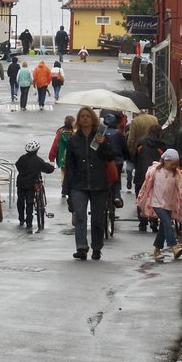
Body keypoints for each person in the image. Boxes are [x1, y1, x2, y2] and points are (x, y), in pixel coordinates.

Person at [64, 106, 114, 260]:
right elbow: (70, 166)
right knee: (80, 215)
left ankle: (97, 247)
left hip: (98, 184)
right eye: (82, 116)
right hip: (78, 184)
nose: (85, 118)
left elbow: (110, 156)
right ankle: (81, 247)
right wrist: (67, 190)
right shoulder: (74, 140)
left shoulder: (100, 137)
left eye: (87, 116)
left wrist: (104, 143)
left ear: (92, 119)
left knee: (98, 219)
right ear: (78, 120)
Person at [136, 148, 182, 261]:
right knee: (168, 224)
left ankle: (157, 250)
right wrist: (141, 198)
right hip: (157, 203)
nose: (174, 166)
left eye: (176, 164)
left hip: (169, 204)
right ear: (165, 161)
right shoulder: (155, 171)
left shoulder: (177, 175)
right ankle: (174, 247)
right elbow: (146, 183)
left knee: (163, 228)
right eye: (172, 164)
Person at [133, 123, 168, 232]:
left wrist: (138, 166)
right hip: (157, 174)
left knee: (141, 196)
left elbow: (134, 157)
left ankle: (142, 222)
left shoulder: (141, 143)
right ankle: (154, 220)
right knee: (156, 197)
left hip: (141, 173)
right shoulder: (162, 144)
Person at [15, 139, 55, 231]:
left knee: (20, 201)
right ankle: (29, 221)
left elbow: (17, 165)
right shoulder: (38, 161)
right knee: (30, 202)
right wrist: (52, 167)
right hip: (31, 184)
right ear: (37, 150)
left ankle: (21, 219)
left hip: (21, 183)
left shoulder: (22, 158)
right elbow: (47, 168)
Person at [126, 111, 159, 190]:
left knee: (141, 171)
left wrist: (132, 152)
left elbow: (131, 139)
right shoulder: (154, 119)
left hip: (140, 150)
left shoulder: (135, 121)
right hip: (154, 148)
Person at [102, 113, 128, 209]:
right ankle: (117, 196)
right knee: (116, 179)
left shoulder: (101, 132)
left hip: (104, 161)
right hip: (117, 160)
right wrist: (126, 157)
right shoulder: (118, 133)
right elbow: (124, 147)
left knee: (104, 179)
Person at [48, 115, 76, 196]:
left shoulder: (60, 132)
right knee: (72, 172)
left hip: (62, 156)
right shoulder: (75, 132)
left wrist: (52, 157)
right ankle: (71, 188)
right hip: (73, 156)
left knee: (64, 172)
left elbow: (55, 144)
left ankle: (64, 187)